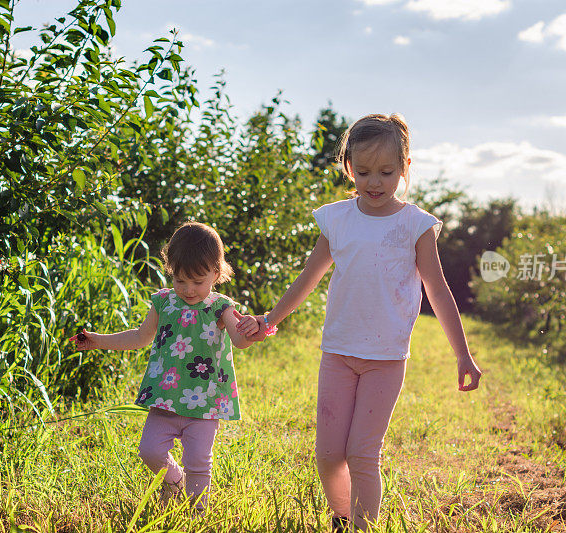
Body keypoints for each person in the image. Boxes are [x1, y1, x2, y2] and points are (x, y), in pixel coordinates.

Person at [239, 113, 482, 531]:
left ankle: (362, 528)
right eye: (364, 171)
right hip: (338, 353)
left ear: (405, 167)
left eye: (386, 172)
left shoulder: (416, 226)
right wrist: (270, 319)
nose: (374, 182)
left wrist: (463, 355)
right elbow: (308, 278)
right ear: (348, 166)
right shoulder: (337, 220)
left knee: (363, 453)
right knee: (330, 454)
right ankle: (342, 517)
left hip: (385, 359)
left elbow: (438, 292)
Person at [70, 222, 260, 513]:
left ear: (216, 273)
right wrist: (98, 341)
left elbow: (239, 341)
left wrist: (250, 328)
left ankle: (197, 513)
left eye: (197, 282)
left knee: (198, 460)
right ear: (171, 270)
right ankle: (174, 479)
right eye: (180, 280)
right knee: (149, 451)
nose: (188, 289)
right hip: (165, 397)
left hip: (205, 401)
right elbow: (139, 337)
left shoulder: (221, 306)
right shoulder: (164, 302)